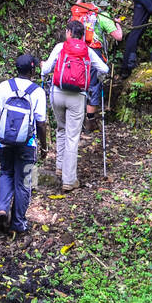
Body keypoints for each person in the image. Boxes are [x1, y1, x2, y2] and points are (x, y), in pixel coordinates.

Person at [40, 20, 109, 191]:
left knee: (61, 129)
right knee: (72, 136)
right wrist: (98, 78)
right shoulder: (88, 51)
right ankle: (69, 180)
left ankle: (59, 167)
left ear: (69, 32)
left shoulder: (60, 47)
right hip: (77, 97)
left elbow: (45, 70)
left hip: (57, 94)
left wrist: (43, 67)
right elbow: (105, 70)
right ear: (83, 35)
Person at [0, 53, 48, 234]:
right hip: (27, 144)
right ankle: (18, 222)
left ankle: (2, 210)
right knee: (24, 181)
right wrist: (44, 146)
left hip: (3, 141)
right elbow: (41, 123)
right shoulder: (37, 91)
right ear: (32, 70)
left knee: (6, 173)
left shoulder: (4, 86)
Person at [72, 0, 123, 131]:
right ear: (103, 5)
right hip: (93, 53)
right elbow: (118, 37)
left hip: (76, 52)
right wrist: (118, 24)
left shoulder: (80, 13)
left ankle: (77, 119)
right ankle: (90, 121)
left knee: (78, 83)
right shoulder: (103, 17)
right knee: (93, 85)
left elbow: (74, 8)